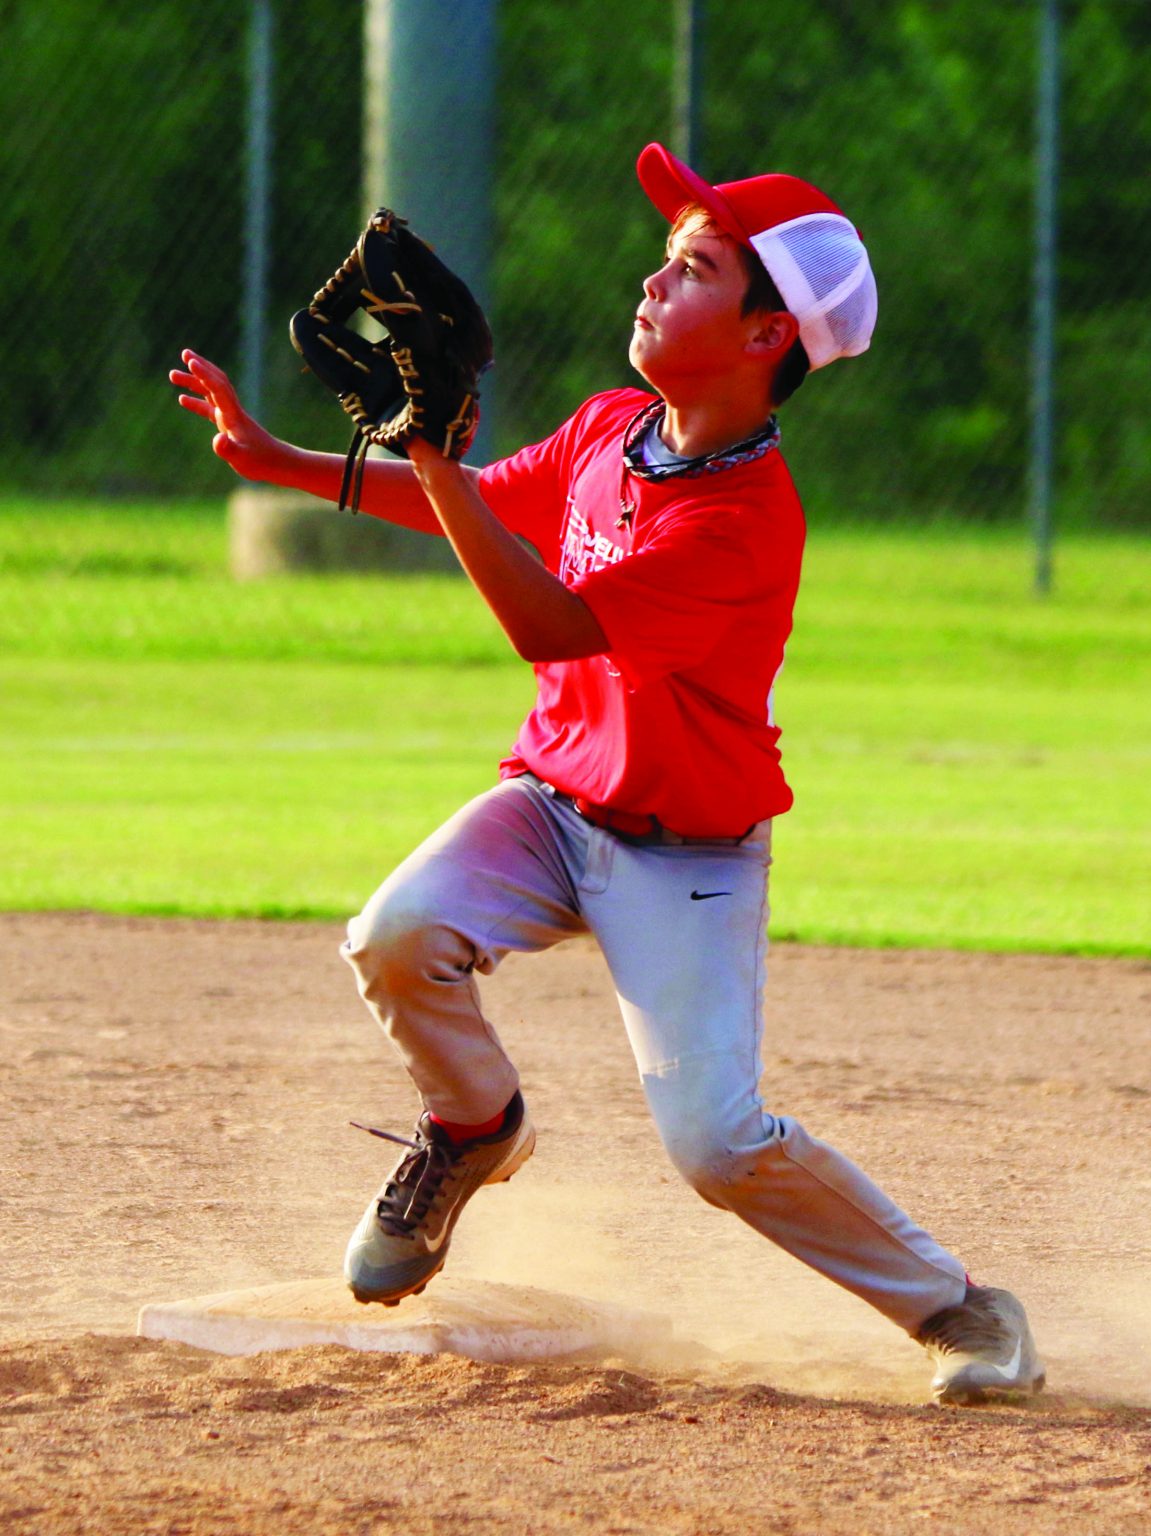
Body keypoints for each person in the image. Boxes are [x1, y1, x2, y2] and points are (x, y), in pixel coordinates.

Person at [172, 141, 1044, 1405]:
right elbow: (484, 500)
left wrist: (419, 454)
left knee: (715, 1143)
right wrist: (286, 465)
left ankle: (960, 1310)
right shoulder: (608, 426)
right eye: (666, 255)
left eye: (693, 268)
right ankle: (473, 1127)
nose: (651, 278)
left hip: (681, 852)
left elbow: (547, 624)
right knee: (395, 934)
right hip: (550, 800)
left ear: (762, 339)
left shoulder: (739, 522)